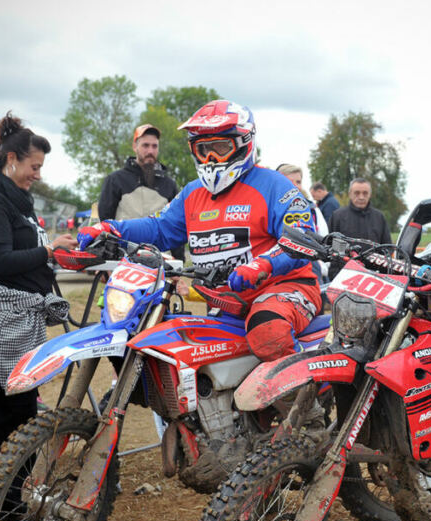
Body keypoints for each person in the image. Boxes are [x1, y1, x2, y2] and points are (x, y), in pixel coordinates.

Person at [79, 99, 321, 362]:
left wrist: (263, 265)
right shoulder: (193, 192)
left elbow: (303, 237)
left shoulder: (276, 186)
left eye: (221, 148)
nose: (211, 158)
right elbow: (160, 228)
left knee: (267, 331)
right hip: (227, 300)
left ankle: (305, 386)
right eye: (203, 149)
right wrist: (111, 228)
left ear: (243, 143)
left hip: (284, 290)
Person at [0, 112, 75, 510]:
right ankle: (8, 499)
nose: (37, 175)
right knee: (14, 407)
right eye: (34, 166)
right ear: (11, 159)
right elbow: (2, 261)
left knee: (18, 405)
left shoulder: (12, 198)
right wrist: (49, 251)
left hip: (20, 315)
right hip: (3, 318)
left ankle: (7, 494)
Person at [97, 123, 182, 260]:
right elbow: (105, 224)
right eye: (145, 145)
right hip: (123, 260)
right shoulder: (115, 180)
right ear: (134, 146)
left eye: (154, 146)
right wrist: (104, 260)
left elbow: (176, 227)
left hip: (160, 261)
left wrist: (179, 261)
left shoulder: (169, 185)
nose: (150, 151)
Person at [328, 178, 391, 277]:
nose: (361, 197)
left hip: (374, 275)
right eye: (357, 193)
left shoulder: (379, 217)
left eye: (365, 193)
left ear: (370, 194)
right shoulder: (337, 216)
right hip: (343, 274)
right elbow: (330, 247)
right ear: (350, 194)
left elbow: (387, 248)